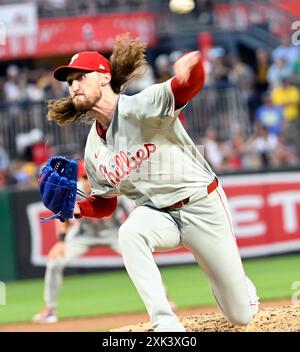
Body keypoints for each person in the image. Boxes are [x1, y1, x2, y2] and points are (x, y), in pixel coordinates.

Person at [46, 34, 259, 332]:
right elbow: (105, 202)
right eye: (70, 81)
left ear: (105, 77)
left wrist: (193, 67)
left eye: (81, 77)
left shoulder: (141, 106)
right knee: (130, 232)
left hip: (201, 205)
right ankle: (165, 322)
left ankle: (240, 288)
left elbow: (185, 87)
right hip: (157, 215)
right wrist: (79, 210)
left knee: (240, 316)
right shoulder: (93, 148)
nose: (74, 86)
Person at [32, 161, 130, 323]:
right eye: (84, 177)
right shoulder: (73, 190)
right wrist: (62, 241)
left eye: (90, 176)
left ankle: (164, 299)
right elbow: (61, 215)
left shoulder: (111, 189)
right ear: (79, 178)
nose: (87, 181)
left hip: (114, 233)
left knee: (140, 256)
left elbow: (131, 213)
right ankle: (49, 310)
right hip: (82, 236)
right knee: (55, 262)